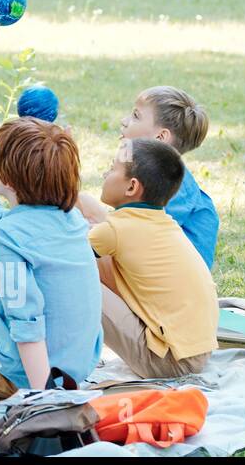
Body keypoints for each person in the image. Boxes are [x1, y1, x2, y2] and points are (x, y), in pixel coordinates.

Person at [0, 91, 102, 399]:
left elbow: (26, 319)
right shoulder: (68, 218)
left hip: (18, 374)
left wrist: (44, 400)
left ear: (9, 180)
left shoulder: (8, 235)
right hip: (76, 367)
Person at [85, 138, 218, 378]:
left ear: (131, 187)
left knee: (72, 278)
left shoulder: (116, 229)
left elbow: (63, 258)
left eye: (113, 168)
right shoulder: (162, 222)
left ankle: (61, 352)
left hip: (165, 362)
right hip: (196, 352)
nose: (105, 172)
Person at [110, 86, 218, 268]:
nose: (124, 121)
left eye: (136, 116)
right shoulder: (148, 174)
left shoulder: (172, 186)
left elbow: (134, 238)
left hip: (172, 287)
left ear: (160, 137)